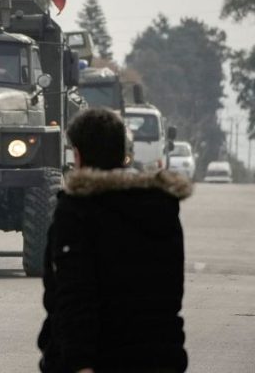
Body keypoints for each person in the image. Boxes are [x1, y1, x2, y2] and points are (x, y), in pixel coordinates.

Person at [38, 108, 190, 373]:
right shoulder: (161, 207)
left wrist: (79, 363)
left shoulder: (77, 211)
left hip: (97, 361)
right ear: (123, 155)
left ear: (78, 155)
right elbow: (170, 294)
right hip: (160, 358)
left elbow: (75, 295)